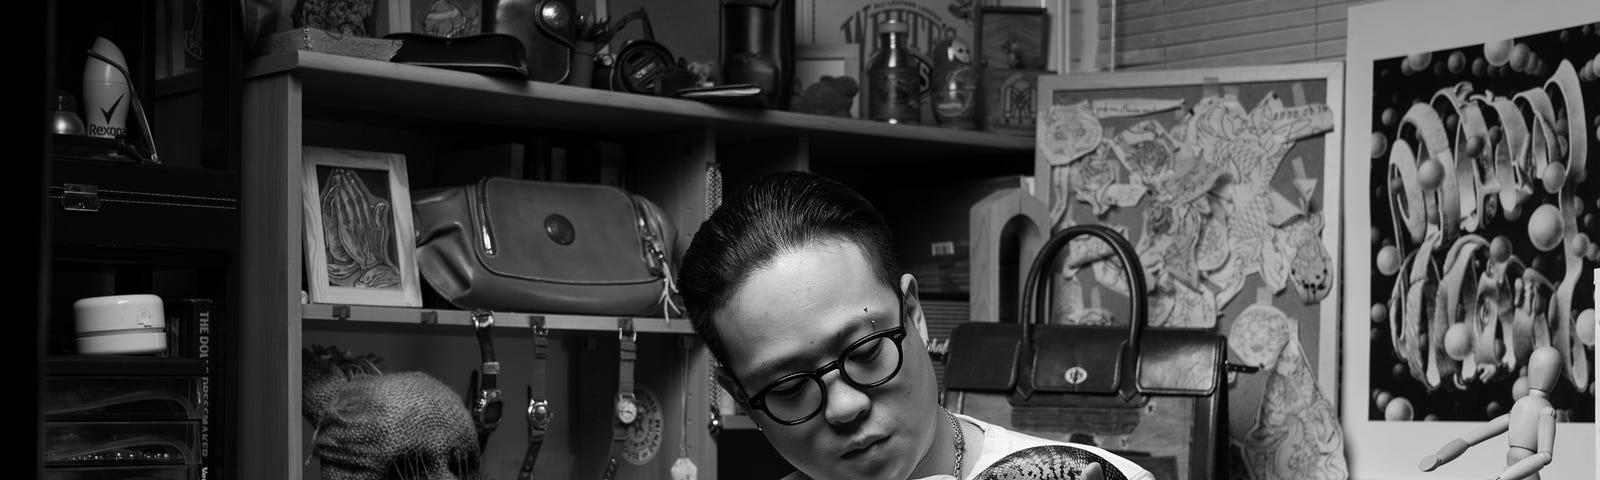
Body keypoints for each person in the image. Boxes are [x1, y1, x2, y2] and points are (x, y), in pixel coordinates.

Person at [678, 171, 1154, 480]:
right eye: (788, 387)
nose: (845, 407)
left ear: (913, 315)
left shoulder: (1092, 478)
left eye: (865, 352)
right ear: (742, 397)